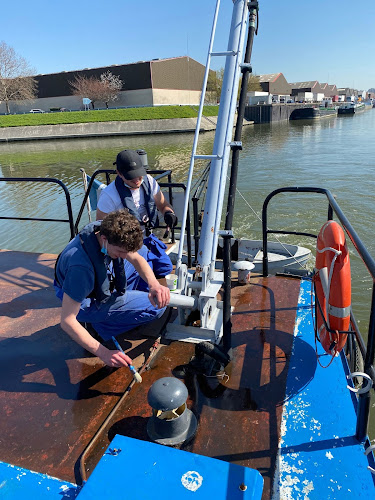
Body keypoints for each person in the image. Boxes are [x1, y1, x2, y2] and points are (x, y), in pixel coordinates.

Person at [54, 209, 170, 368]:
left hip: (88, 278)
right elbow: (67, 321)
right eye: (121, 252)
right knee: (156, 307)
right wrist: (103, 353)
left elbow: (135, 257)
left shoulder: (106, 229)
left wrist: (154, 285)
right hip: (81, 301)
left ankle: (116, 310)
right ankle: (103, 326)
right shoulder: (81, 269)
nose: (124, 255)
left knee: (143, 253)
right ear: (104, 239)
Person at [96, 149, 178, 290]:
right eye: (131, 177)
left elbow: (163, 205)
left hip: (147, 237)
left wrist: (169, 213)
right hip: (127, 245)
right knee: (146, 276)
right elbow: (99, 230)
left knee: (165, 267)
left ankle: (148, 276)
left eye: (139, 175)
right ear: (119, 173)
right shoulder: (109, 196)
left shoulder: (150, 182)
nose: (137, 180)